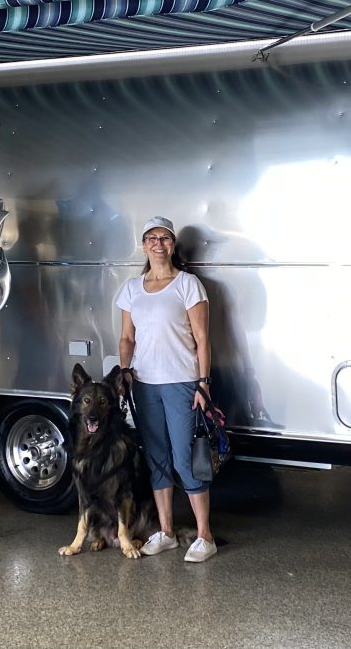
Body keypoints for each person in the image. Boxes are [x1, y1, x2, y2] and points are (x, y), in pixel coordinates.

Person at [115, 216, 216, 562]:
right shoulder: (132, 289)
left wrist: (203, 383)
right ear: (144, 245)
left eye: (165, 238)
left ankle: (205, 536)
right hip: (145, 385)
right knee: (157, 458)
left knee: (185, 459)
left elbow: (202, 339)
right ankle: (167, 532)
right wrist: (125, 372)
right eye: (152, 238)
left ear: (173, 245)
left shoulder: (188, 284)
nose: (158, 244)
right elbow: (127, 338)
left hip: (182, 382)